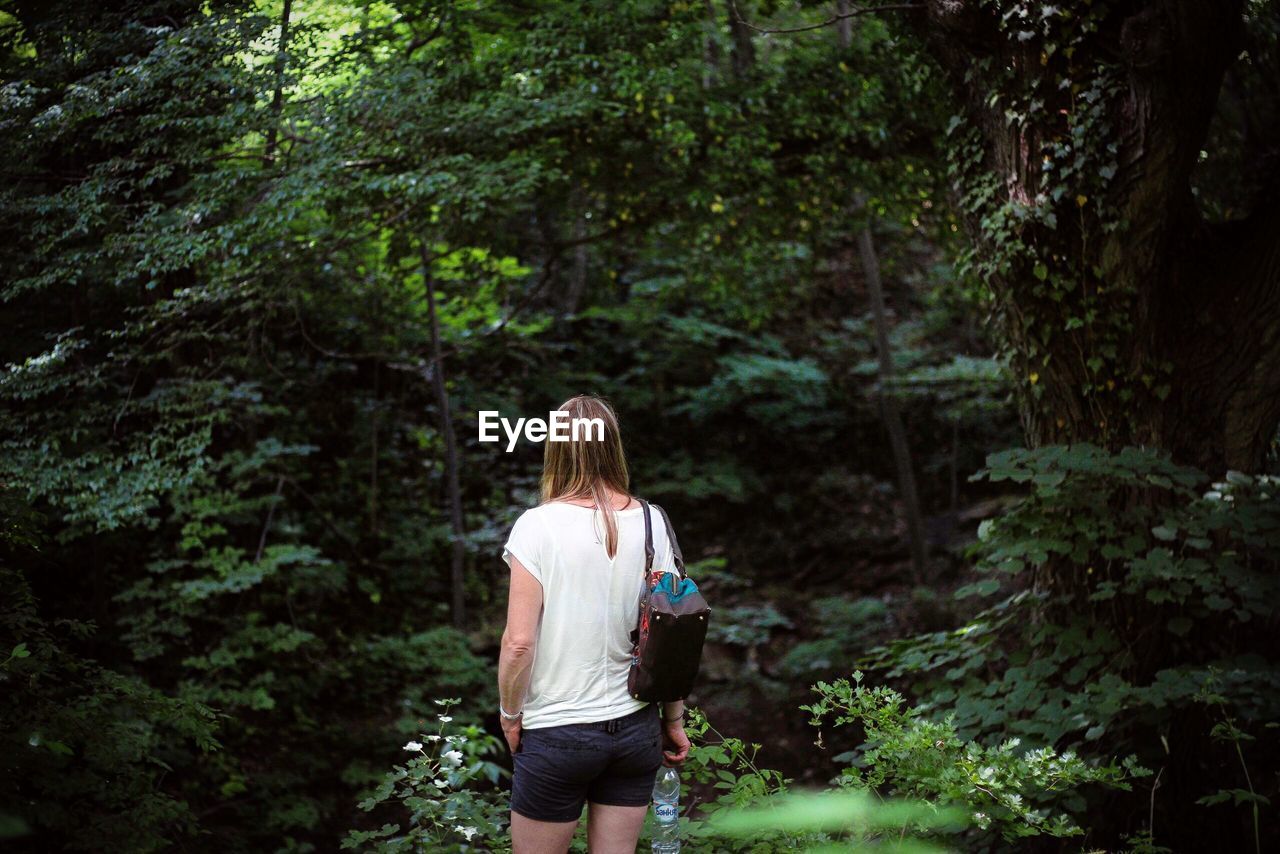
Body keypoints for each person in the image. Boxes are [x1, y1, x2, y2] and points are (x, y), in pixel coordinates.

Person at [497, 394, 692, 854]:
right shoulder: (652, 521)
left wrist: (509, 715)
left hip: (556, 733)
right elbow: (671, 633)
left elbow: (519, 643)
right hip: (634, 728)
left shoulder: (536, 526)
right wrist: (674, 718)